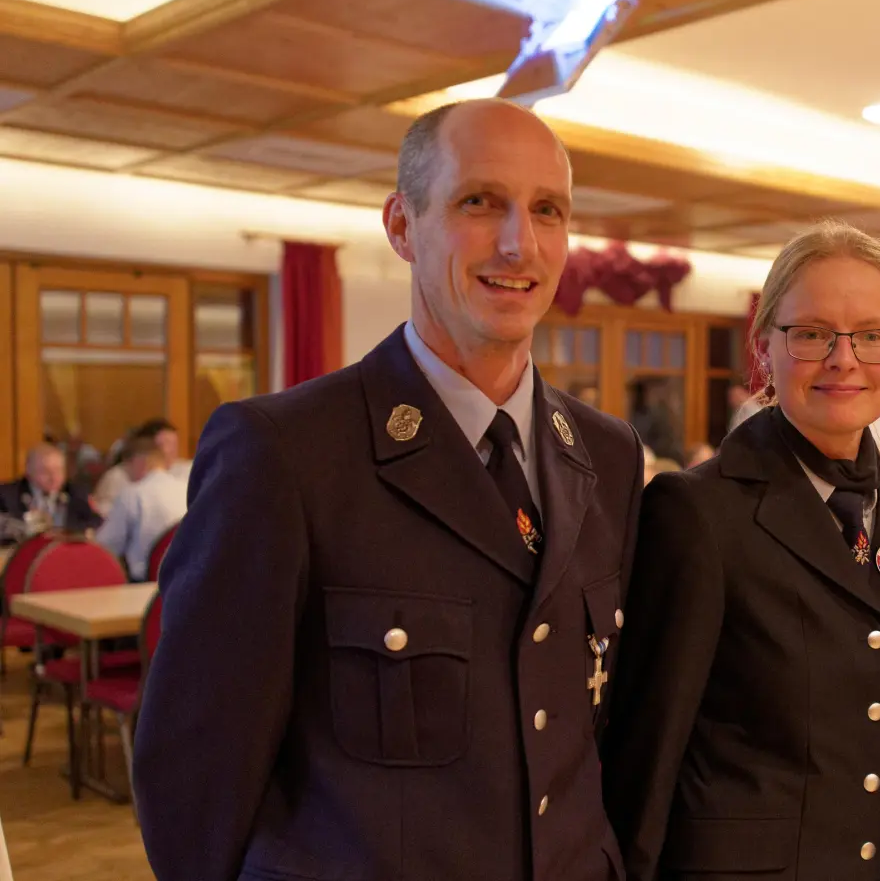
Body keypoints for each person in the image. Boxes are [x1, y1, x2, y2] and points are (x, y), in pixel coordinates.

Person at [134, 99, 644, 881]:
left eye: (548, 210)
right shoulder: (286, 453)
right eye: (480, 202)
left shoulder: (608, 455)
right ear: (403, 226)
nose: (520, 242)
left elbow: (599, 727)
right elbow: (195, 773)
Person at [604, 221, 880, 881]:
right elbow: (650, 749)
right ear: (764, 346)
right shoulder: (698, 512)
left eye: (872, 335)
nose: (844, 359)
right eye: (813, 333)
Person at [93, 434, 187, 582]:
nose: (127, 475)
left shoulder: (132, 495)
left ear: (139, 462)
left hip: (145, 585)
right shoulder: (187, 490)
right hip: (188, 580)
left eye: (127, 468)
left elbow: (105, 547)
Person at [0, 443, 99, 541]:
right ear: (28, 470)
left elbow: (95, 523)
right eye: (45, 471)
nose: (53, 477)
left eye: (58, 470)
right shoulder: (6, 495)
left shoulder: (76, 492)